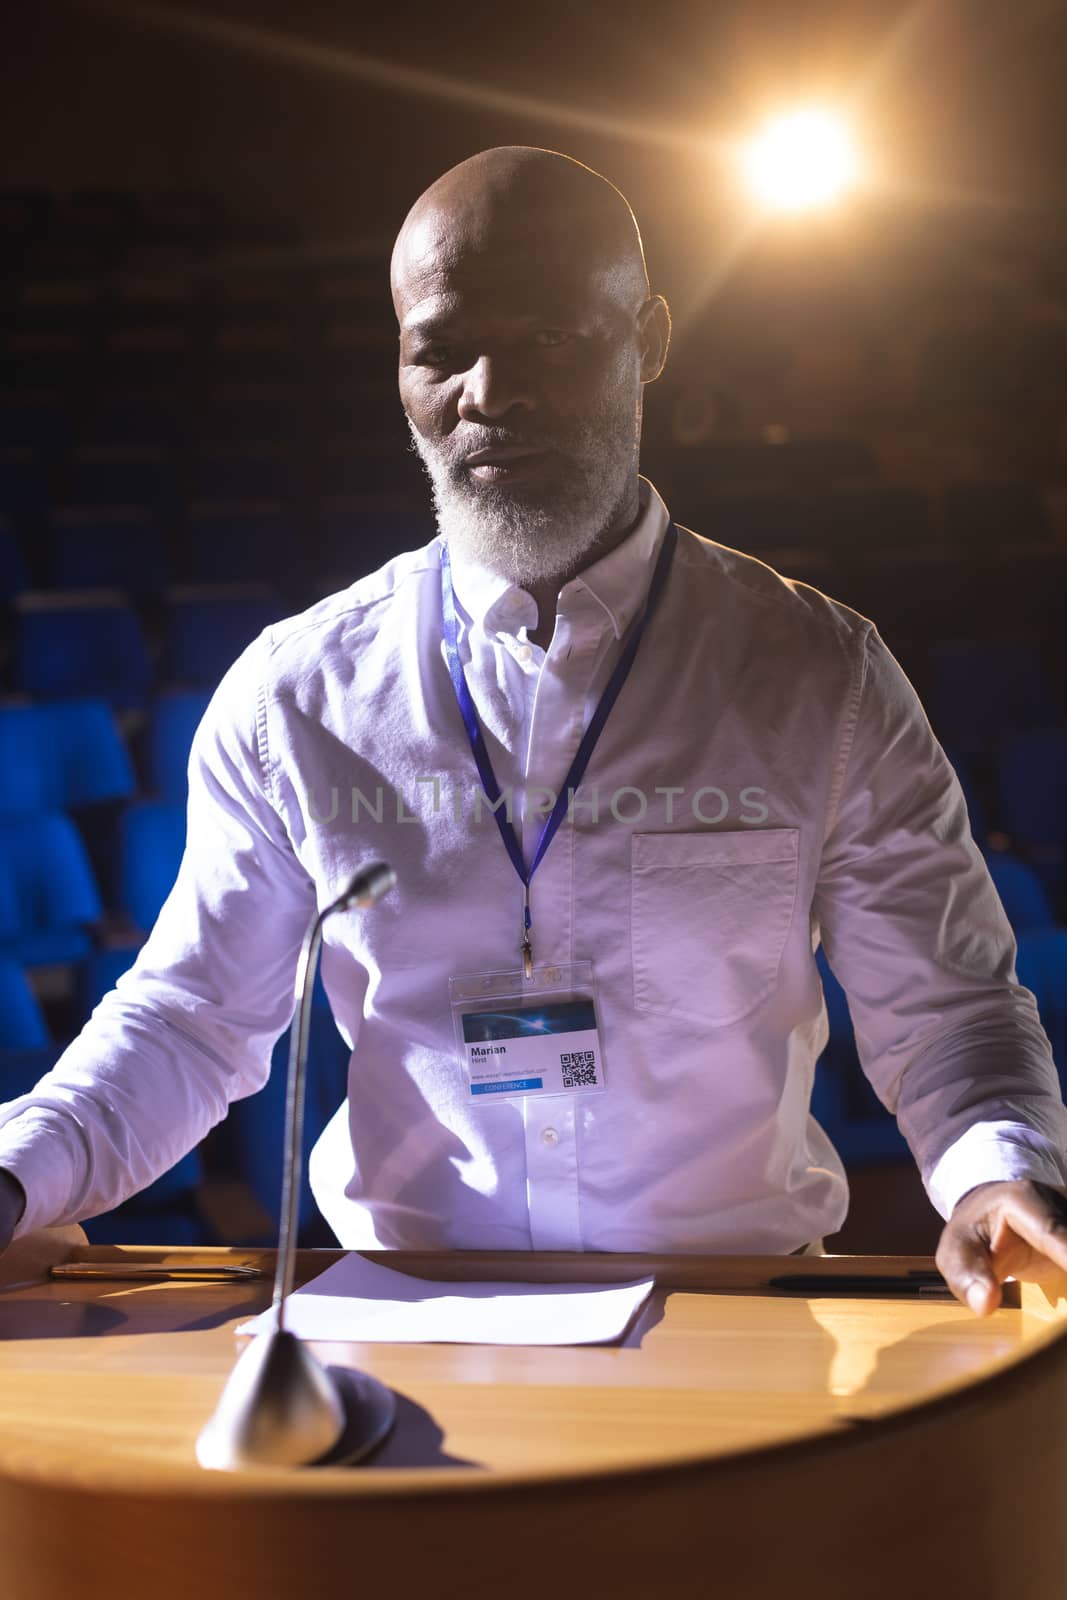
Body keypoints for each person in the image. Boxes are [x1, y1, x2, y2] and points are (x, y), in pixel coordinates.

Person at [0, 146, 1065, 1316]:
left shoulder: (822, 678)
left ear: (649, 338)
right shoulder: (295, 696)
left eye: (551, 337)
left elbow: (948, 1004)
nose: (490, 392)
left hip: (736, 1321)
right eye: (440, 349)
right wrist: (15, 1176)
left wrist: (993, 1174)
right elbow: (190, 1018)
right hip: (405, 1322)